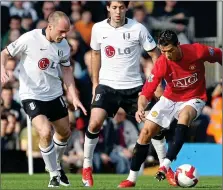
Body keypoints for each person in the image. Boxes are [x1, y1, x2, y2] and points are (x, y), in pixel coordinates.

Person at [118, 30, 222, 188]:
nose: (167, 55)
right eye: (163, 51)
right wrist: (140, 107)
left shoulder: (196, 51)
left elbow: (219, 54)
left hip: (195, 98)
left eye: (170, 50)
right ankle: (131, 179)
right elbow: (147, 91)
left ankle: (165, 166)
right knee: (146, 131)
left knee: (185, 115)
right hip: (170, 98)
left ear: (178, 45)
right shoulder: (161, 62)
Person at [81, 1, 163, 187]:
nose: (118, 11)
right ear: (108, 8)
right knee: (94, 122)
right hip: (107, 86)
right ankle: (87, 167)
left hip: (134, 87)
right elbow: (95, 55)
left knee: (153, 125)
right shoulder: (98, 28)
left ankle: (165, 168)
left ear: (126, 8)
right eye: (114, 7)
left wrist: (156, 82)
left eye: (122, 7)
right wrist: (95, 84)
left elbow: (156, 56)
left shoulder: (138, 28)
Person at [1, 11, 87, 188]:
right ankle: (54, 173)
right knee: (45, 132)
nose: (64, 36)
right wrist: (2, 69)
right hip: (32, 95)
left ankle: (55, 166)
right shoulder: (29, 38)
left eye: (67, 32)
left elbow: (67, 71)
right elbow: (4, 53)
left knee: (65, 133)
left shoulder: (63, 45)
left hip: (54, 94)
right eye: (61, 32)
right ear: (50, 27)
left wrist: (73, 95)